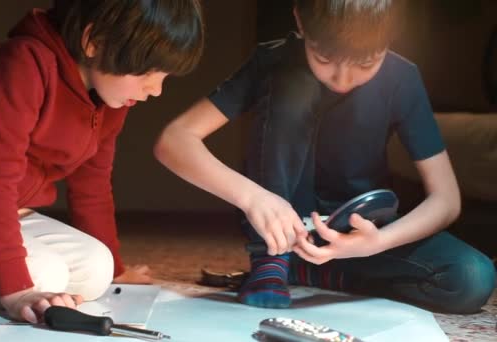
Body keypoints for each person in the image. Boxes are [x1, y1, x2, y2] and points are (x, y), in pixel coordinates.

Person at [154, 0, 495, 314]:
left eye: (365, 63)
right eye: (325, 58)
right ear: (300, 21)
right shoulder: (271, 61)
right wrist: (253, 197)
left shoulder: (402, 78)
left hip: (361, 234)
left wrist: (378, 242)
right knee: (294, 81)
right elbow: (175, 140)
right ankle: (276, 260)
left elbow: (446, 199)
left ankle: (319, 272)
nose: (342, 80)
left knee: (473, 277)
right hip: (282, 230)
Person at [0, 0, 204, 323]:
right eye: (147, 72)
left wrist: (118, 272)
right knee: (39, 276)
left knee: (98, 269)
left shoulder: (111, 100)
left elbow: (92, 185)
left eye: (164, 76)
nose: (156, 90)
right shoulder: (24, 63)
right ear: (94, 42)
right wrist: (17, 291)